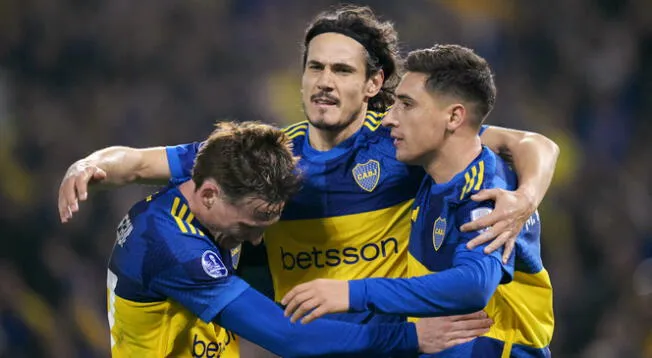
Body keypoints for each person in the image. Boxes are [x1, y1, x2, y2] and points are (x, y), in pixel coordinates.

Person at [58, 5, 558, 356]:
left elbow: (532, 143)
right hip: (322, 343)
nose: (324, 81)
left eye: (342, 70)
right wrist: (88, 166)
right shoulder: (262, 160)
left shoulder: (404, 143)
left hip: (392, 339)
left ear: (373, 83)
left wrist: (526, 197)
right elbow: (140, 163)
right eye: (315, 67)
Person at [107, 120, 487, 357]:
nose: (256, 241)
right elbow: (289, 338)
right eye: (252, 224)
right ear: (208, 195)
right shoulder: (173, 247)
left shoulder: (223, 169)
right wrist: (411, 337)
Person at [281, 45, 554, 357]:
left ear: (454, 116)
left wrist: (351, 292)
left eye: (406, 105)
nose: (389, 119)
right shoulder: (429, 173)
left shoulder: (488, 192)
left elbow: (474, 285)